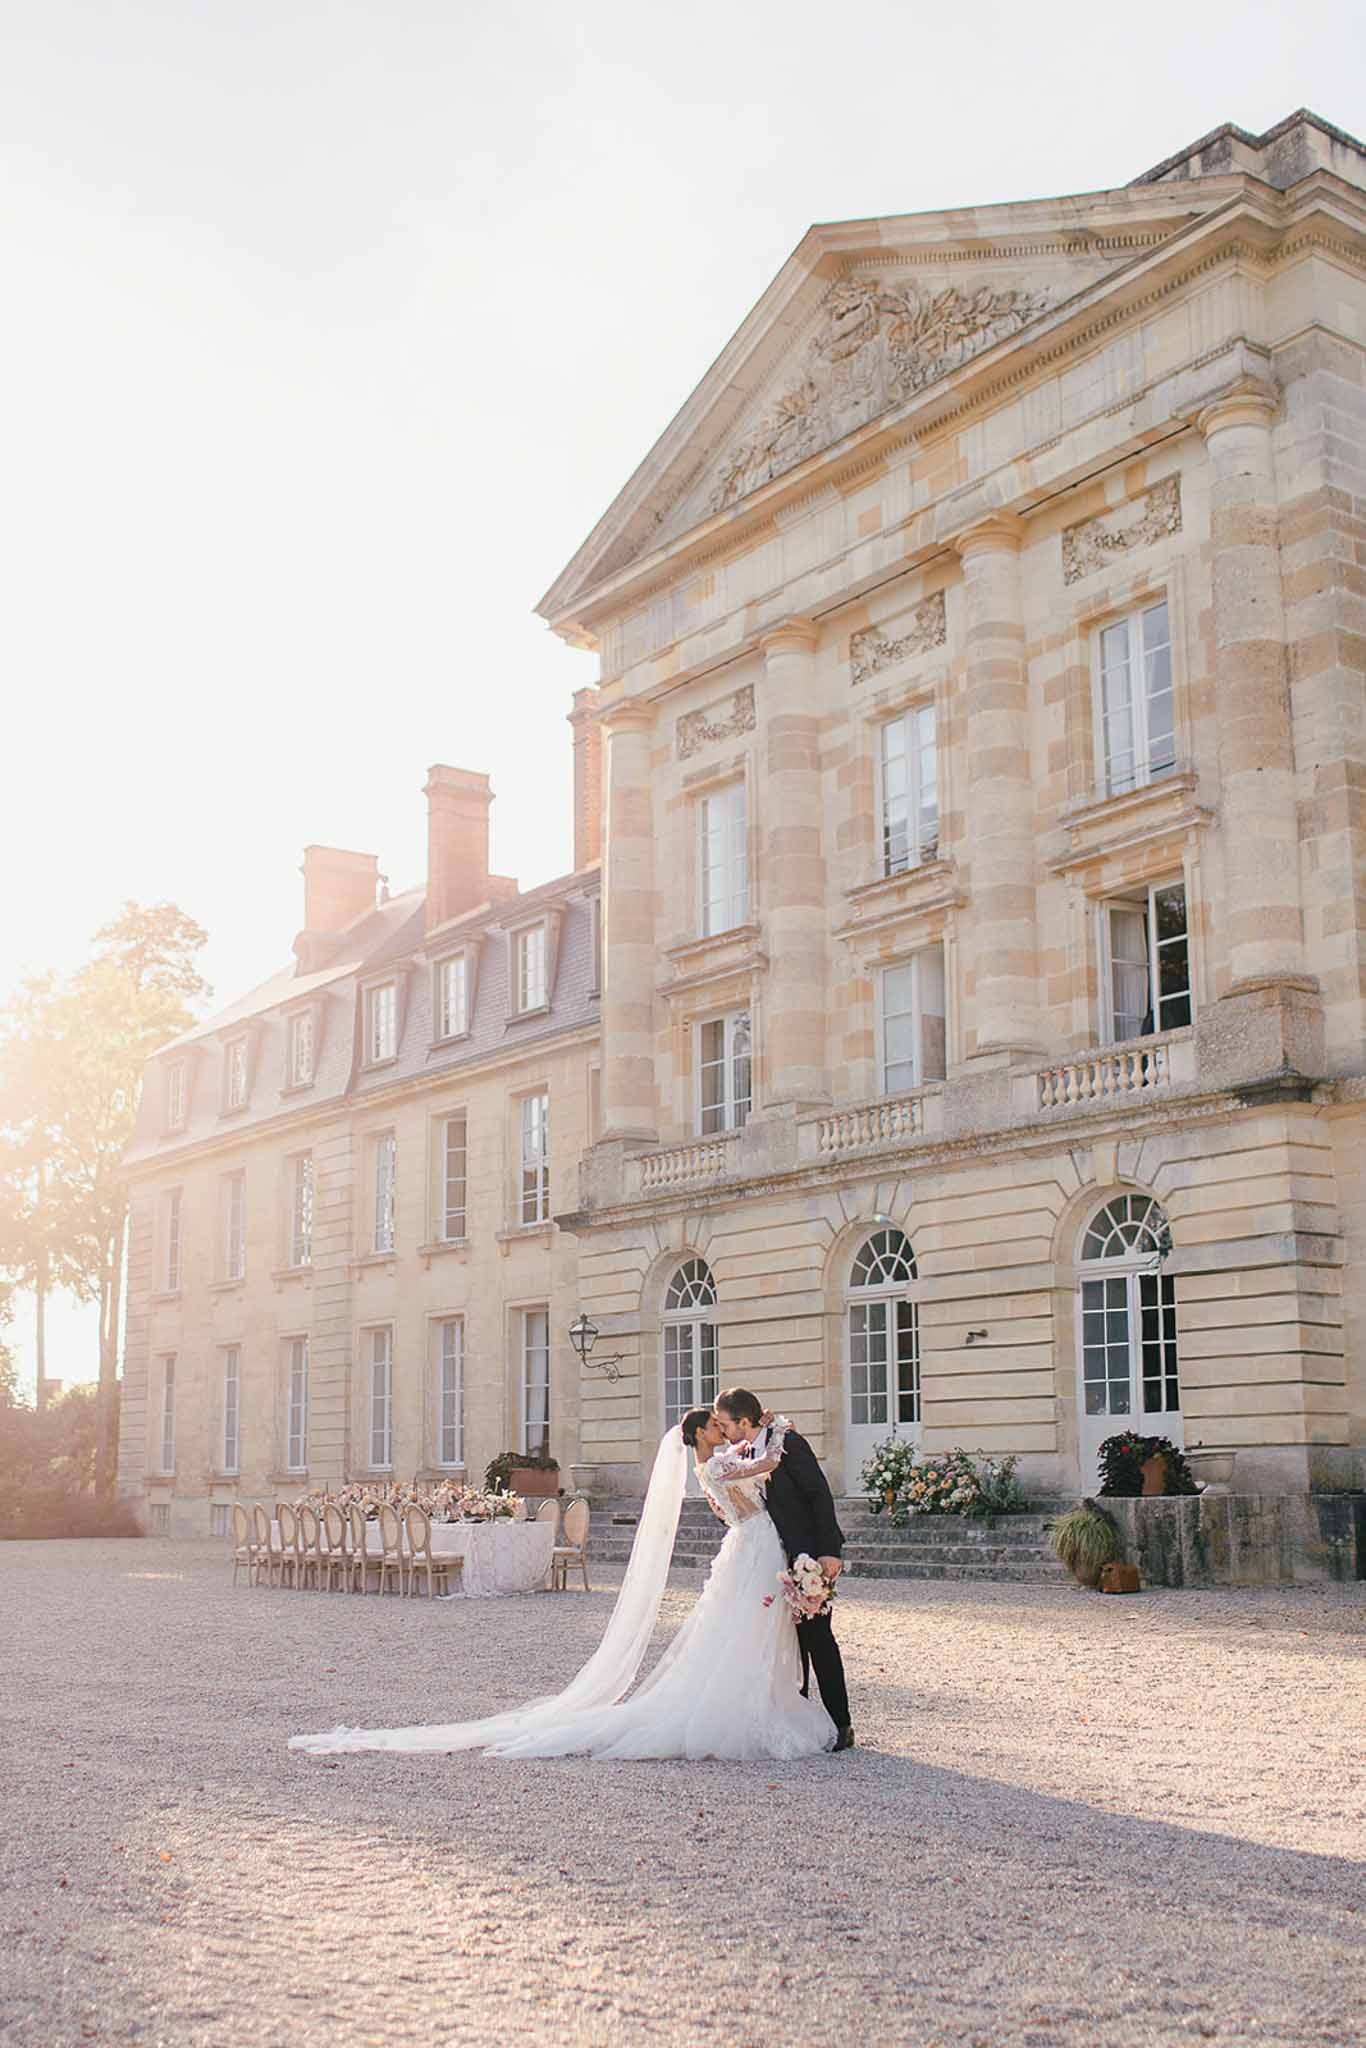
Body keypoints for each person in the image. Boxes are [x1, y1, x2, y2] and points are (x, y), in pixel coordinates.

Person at [289, 1409, 836, 1763]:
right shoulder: (716, 1463)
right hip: (755, 1546)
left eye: (725, 1423)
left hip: (752, 1548)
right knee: (744, 1628)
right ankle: (751, 1709)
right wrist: (777, 1434)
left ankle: (760, 1700)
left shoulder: (712, 1463)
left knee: (741, 1629)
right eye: (715, 1425)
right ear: (698, 1434)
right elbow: (767, 1463)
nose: (722, 1430)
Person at [714, 1387, 853, 1751]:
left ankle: (842, 1725)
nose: (723, 1431)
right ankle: (801, 1721)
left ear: (745, 1421)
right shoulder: (747, 1450)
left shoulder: (787, 1441)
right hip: (772, 1558)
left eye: (726, 1424)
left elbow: (819, 1494)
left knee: (818, 1639)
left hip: (806, 1554)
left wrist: (828, 1552)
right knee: (786, 1643)